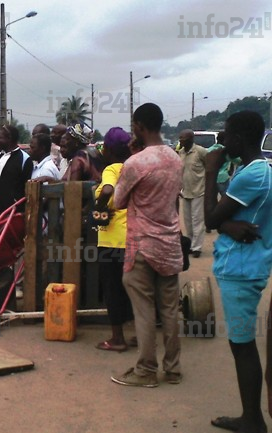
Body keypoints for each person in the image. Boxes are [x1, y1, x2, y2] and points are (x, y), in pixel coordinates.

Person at [204, 111, 271, 433]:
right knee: (239, 344)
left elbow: (208, 218)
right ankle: (251, 416)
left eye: (227, 135)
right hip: (244, 263)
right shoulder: (255, 170)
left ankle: (253, 420)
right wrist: (227, 223)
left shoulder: (251, 175)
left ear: (240, 138)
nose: (222, 140)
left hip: (241, 269)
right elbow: (224, 214)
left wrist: (210, 172)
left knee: (242, 346)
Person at [111, 103, 183, 388]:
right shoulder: (175, 158)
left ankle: (146, 371)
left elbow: (117, 201)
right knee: (169, 309)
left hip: (142, 245)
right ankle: (173, 369)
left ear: (139, 126)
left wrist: (132, 158)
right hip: (170, 243)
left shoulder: (135, 163)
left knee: (144, 310)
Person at [93, 127, 134, 352]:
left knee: (113, 289)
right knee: (135, 289)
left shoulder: (112, 168)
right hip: (134, 237)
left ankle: (118, 338)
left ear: (108, 149)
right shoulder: (134, 167)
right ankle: (141, 334)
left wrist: (98, 209)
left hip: (112, 241)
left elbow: (107, 190)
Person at [0, 125, 33, 218]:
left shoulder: (24, 158)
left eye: (0, 137)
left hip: (14, 212)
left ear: (9, 138)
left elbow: (26, 186)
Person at [178, 129, 208, 257]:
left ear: (190, 139)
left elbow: (209, 166)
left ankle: (197, 248)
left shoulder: (200, 151)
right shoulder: (180, 153)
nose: (180, 140)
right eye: (180, 138)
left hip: (199, 191)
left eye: (183, 138)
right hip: (186, 192)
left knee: (197, 220)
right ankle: (190, 245)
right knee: (188, 221)